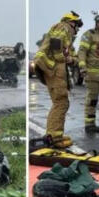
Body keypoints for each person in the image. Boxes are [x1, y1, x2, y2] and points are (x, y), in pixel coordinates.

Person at [34, 11, 83, 146]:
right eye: (77, 25)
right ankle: (54, 138)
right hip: (53, 69)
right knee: (61, 103)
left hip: (54, 69)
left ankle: (54, 135)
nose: (77, 30)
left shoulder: (66, 35)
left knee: (60, 102)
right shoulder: (63, 27)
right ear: (71, 22)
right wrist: (64, 58)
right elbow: (57, 45)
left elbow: (72, 56)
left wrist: (72, 59)